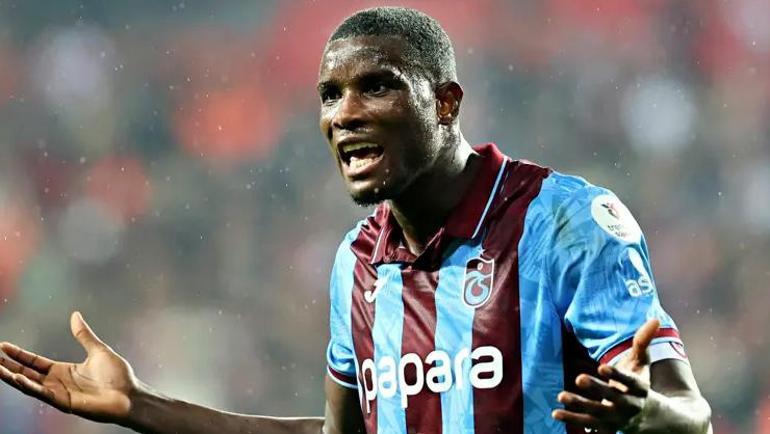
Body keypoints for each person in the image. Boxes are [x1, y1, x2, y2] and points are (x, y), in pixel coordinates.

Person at [0, 7, 711, 434]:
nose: (344, 114)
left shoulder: (564, 223)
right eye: (329, 94)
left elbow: (690, 413)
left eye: (376, 86)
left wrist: (645, 417)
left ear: (446, 103)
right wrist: (141, 407)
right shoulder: (358, 261)